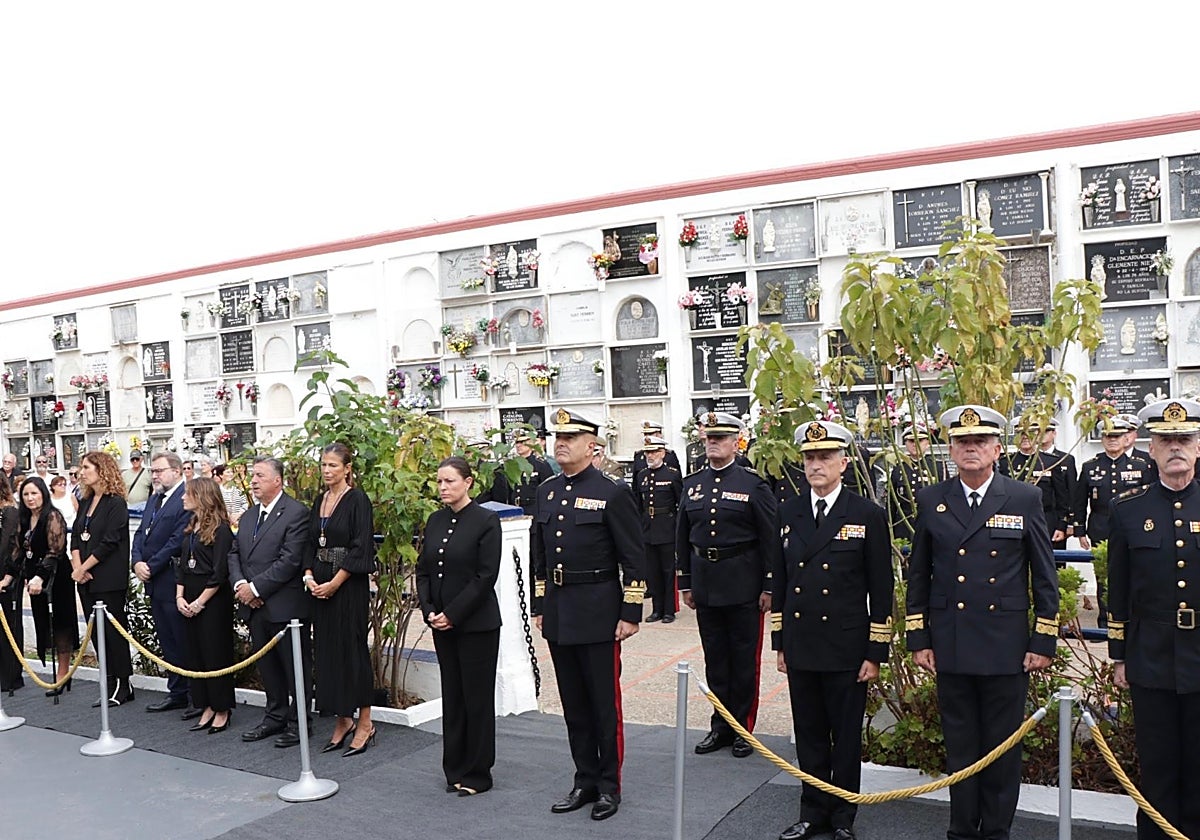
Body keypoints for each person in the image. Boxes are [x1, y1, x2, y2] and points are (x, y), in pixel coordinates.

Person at [906, 404, 1059, 840]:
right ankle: (961, 830)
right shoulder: (933, 499)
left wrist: (1042, 641)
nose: (970, 449)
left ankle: (996, 831)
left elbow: (1043, 576)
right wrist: (919, 637)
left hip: (1006, 646)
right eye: (961, 442)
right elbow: (919, 574)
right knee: (960, 746)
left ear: (996, 449)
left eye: (979, 442)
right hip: (951, 643)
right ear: (950, 450)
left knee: (1002, 748)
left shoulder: (1023, 497)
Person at [773, 420, 894, 840]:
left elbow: (882, 590)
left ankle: (843, 817)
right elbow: (779, 582)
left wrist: (875, 652)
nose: (816, 465)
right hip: (803, 642)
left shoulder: (866, 514)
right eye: (809, 458)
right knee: (808, 733)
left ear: (844, 462)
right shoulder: (787, 511)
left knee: (844, 738)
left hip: (846, 646)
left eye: (825, 457)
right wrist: (780, 643)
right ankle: (812, 812)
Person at [532, 408, 645, 821]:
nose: (560, 443)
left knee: (602, 705)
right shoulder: (546, 491)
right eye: (557, 437)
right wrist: (541, 606)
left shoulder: (612, 492)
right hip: (561, 612)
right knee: (574, 705)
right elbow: (539, 555)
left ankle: (609, 787)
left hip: (599, 610)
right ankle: (584, 779)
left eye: (570, 437)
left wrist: (630, 611)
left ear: (591, 445)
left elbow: (634, 556)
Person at [1106, 398, 1200, 840]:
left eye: (1184, 439)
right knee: (1157, 766)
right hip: (1151, 657)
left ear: (1198, 447)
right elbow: (1118, 593)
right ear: (1151, 447)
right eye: (1167, 440)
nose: (1176, 447)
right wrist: (1119, 656)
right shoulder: (1128, 511)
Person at [677, 411, 779, 758]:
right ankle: (720, 725)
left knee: (743, 660)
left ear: (736, 442)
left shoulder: (753, 484)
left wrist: (768, 585)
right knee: (715, 659)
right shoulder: (692, 485)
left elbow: (770, 539)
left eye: (720, 438)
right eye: (709, 438)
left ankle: (742, 729)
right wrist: (686, 583)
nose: (713, 443)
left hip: (743, 582)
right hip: (706, 582)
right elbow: (682, 538)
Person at [417, 456, 502, 794]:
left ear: (468, 482)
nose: (442, 488)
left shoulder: (486, 521)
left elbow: (485, 577)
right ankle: (454, 767)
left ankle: (478, 772)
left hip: (476, 625)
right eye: (439, 482)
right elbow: (424, 570)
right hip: (441, 624)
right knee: (453, 696)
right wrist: (429, 609)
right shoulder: (435, 520)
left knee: (476, 698)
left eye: (449, 481)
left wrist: (452, 613)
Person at [228, 456, 312, 748]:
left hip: (284, 606)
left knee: (294, 668)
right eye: (253, 476)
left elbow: (289, 561)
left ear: (277, 480)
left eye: (260, 476)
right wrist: (241, 585)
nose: (253, 481)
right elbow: (234, 553)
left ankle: (299, 722)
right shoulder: (250, 515)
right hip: (255, 607)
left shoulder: (296, 513)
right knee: (268, 668)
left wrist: (256, 588)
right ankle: (274, 716)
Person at [303, 443, 377, 756]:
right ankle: (341, 718)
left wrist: (334, 583)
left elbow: (361, 547)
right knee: (328, 652)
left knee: (353, 651)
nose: (327, 471)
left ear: (347, 468)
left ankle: (365, 721)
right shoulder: (319, 500)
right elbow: (309, 542)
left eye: (333, 465)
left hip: (347, 587)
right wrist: (309, 576)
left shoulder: (357, 500)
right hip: (319, 586)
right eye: (323, 465)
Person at [1074, 417, 1153, 628]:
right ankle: (1105, 622)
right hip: (1101, 525)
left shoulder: (1140, 465)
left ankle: (1131, 618)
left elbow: (1149, 500)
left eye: (1116, 436)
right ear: (1102, 438)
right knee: (1103, 574)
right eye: (1108, 436)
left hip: (1133, 525)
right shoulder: (1091, 466)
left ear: (1125, 438)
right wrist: (1080, 530)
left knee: (1135, 570)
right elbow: (1080, 501)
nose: (1112, 440)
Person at [132, 452, 194, 714]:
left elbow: (177, 540)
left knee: (182, 639)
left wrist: (152, 565)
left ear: (177, 471)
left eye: (159, 471)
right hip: (153, 582)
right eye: (153, 471)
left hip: (172, 579)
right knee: (167, 639)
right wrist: (136, 562)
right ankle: (177, 691)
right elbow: (140, 534)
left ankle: (192, 693)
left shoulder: (184, 500)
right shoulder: (155, 499)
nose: (154, 476)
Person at [71, 451, 135, 706]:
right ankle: (108, 681)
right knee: (95, 633)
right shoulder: (86, 501)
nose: (82, 471)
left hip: (107, 578)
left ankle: (123, 683)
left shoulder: (115, 503)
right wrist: (77, 566)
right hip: (85, 578)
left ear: (102, 470)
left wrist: (84, 566)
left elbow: (110, 541)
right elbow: (77, 535)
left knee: (113, 631)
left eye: (86, 467)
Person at [175, 477, 236, 734]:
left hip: (211, 600)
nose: (182, 497)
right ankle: (205, 704)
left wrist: (200, 602)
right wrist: (180, 596)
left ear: (202, 496)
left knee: (214, 653)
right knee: (195, 654)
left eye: (187, 493)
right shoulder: (191, 526)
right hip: (189, 595)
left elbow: (219, 571)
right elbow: (181, 565)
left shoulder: (221, 530)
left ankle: (222, 707)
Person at [13, 476, 76, 695]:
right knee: (44, 623)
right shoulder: (24, 519)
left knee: (62, 623)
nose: (30, 498)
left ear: (43, 494)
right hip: (35, 579)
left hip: (56, 576)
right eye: (26, 494)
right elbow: (20, 551)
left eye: (34, 493)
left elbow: (56, 550)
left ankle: (63, 672)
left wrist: (41, 576)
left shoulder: (53, 516)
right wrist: (10, 575)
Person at [635, 436, 682, 624]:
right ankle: (657, 608)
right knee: (652, 572)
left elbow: (680, 504)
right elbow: (637, 504)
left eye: (654, 452)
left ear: (663, 453)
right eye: (648, 452)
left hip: (667, 527)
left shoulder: (672, 474)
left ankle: (669, 610)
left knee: (668, 571)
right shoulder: (641, 476)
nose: (650, 455)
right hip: (648, 528)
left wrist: (678, 530)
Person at [1001, 419, 1070, 548]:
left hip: (1045, 520)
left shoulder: (1050, 462)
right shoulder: (1007, 462)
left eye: (1030, 433)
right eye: (1021, 433)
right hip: (1015, 521)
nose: (1025, 437)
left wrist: (1061, 526)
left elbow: (1062, 498)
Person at [887, 423, 948, 542]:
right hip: (904, 525)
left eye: (920, 440)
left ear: (928, 443)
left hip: (931, 522)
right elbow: (892, 502)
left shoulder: (938, 467)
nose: (915, 444)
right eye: (911, 441)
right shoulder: (899, 469)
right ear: (905, 443)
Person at [1039, 419, 1079, 550]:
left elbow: (1072, 491)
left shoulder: (1065, 459)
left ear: (1054, 433)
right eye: (1038, 431)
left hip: (1056, 517)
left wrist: (1069, 522)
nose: (1041, 434)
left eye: (1046, 431)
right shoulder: (1028, 461)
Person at [0, 473, 23, 691]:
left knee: (8, 626)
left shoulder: (9, 512)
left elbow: (9, 545)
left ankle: (10, 676)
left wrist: (5, 576)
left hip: (6, 576)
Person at [510, 431, 554, 516]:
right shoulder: (512, 465)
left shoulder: (540, 465)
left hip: (534, 511)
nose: (518, 445)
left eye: (522, 442)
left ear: (531, 442)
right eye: (517, 442)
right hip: (515, 510)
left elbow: (549, 490)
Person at [630, 421, 681, 485]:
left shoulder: (669, 455)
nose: (647, 437)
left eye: (650, 434)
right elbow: (635, 484)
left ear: (660, 435)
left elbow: (677, 480)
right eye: (645, 434)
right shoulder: (639, 455)